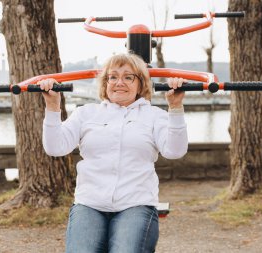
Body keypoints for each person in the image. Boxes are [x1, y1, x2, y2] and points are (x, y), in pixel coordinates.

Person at [38, 53, 188, 253]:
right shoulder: (86, 113)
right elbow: (56, 147)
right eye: (113, 77)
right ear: (105, 82)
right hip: (90, 203)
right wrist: (52, 106)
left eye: (128, 77)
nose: (119, 82)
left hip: (135, 203)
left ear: (140, 84)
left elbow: (175, 151)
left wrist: (175, 107)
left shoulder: (154, 116)